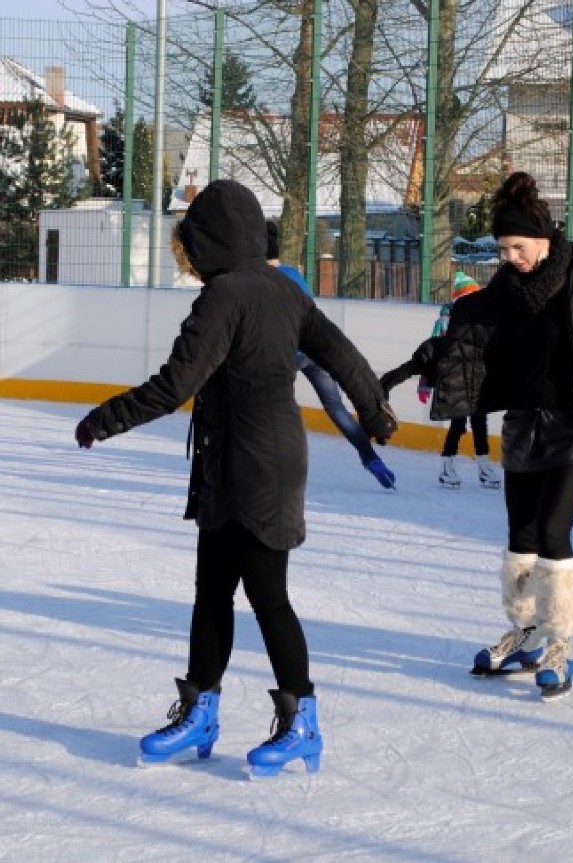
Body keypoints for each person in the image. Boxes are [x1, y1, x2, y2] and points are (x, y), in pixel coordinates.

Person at [74, 179, 397, 777]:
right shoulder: (282, 290)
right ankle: (201, 711)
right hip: (237, 460)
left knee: (267, 596)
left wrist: (103, 419)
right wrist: (374, 411)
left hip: (256, 465)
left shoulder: (224, 297)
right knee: (212, 591)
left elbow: (176, 384)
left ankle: (302, 723)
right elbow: (343, 354)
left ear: (209, 243)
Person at [381, 172, 573, 700]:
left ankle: (561, 642)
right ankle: (529, 635)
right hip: (523, 430)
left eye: (519, 246)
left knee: (554, 534)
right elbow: (459, 339)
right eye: (503, 248)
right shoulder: (504, 290)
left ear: (545, 238)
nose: (511, 257)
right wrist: (409, 367)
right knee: (521, 538)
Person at [266, 221, 396, 490]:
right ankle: (369, 456)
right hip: (317, 349)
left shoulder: (266, 281)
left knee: (274, 405)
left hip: (292, 353)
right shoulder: (294, 274)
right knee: (335, 406)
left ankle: (277, 464)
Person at [385, 270, 501, 490]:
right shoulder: (446, 321)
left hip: (476, 380)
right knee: (457, 424)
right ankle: (447, 466)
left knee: (479, 422)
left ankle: (483, 466)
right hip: (454, 380)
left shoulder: (478, 320)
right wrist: (425, 383)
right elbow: (432, 355)